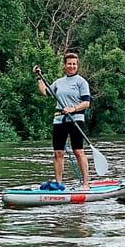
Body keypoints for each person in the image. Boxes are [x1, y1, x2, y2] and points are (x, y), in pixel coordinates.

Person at [33, 53, 91, 190]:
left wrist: (73, 108)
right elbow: (45, 92)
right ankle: (58, 183)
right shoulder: (59, 82)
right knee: (58, 153)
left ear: (77, 65)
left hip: (76, 119)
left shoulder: (81, 82)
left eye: (74, 64)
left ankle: (86, 184)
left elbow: (86, 103)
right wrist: (39, 77)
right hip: (59, 120)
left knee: (78, 151)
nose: (72, 66)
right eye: (69, 64)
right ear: (65, 65)